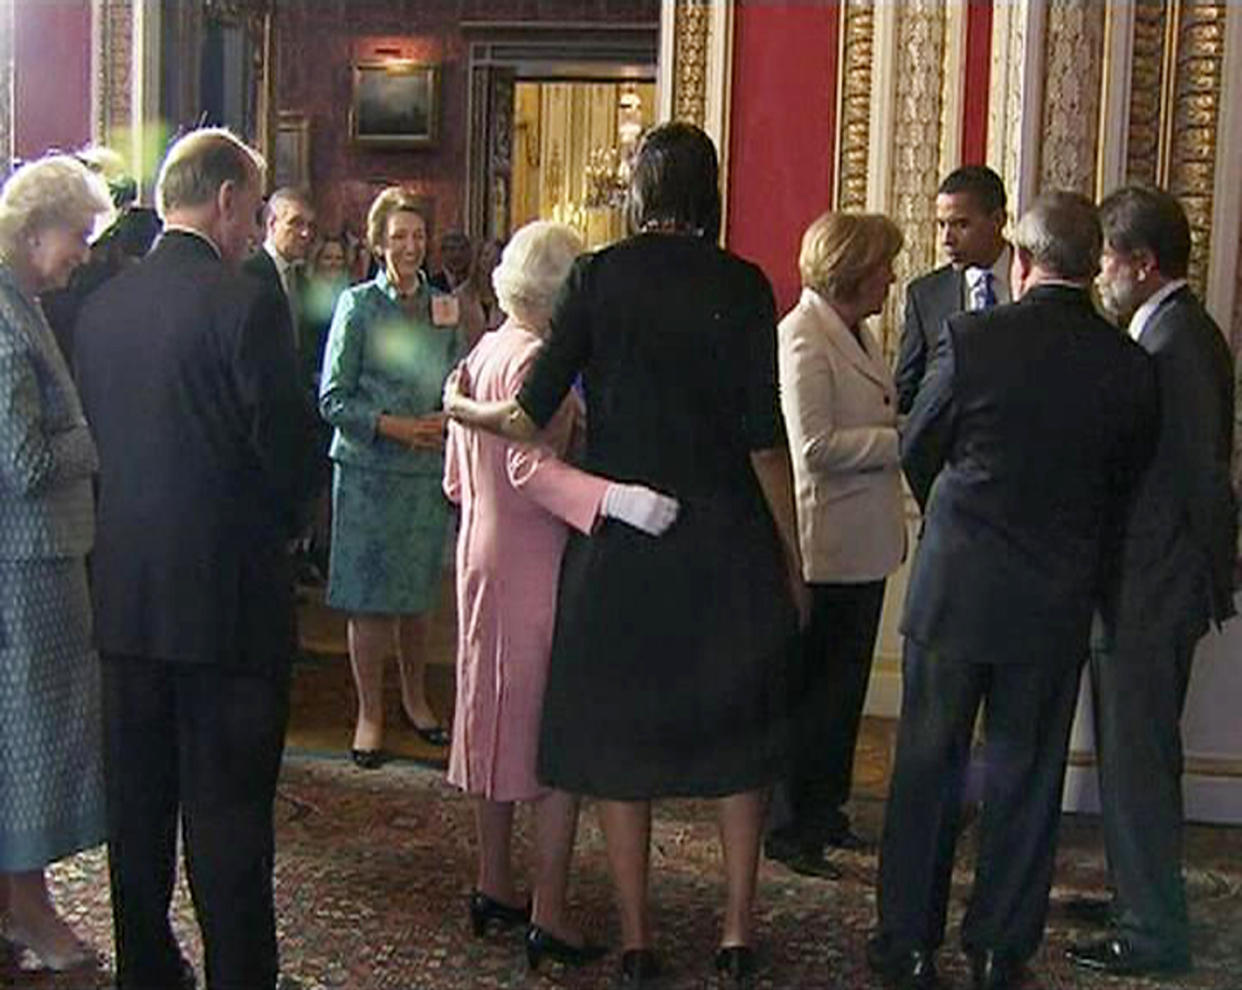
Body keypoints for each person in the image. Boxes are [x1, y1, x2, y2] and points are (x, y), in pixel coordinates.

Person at [445, 122, 802, 989]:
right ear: (709, 192)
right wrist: (793, 559)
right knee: (737, 740)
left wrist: (462, 408)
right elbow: (765, 441)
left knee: (620, 743)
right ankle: (736, 930)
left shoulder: (598, 277)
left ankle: (639, 938)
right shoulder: (746, 284)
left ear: (640, 193)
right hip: (725, 542)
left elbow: (528, 416)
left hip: (627, 549)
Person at [867, 192, 1156, 990]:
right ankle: (999, 949)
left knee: (930, 767)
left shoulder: (973, 339)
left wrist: (958, 520)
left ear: (1021, 261)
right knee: (1027, 778)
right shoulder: (1127, 362)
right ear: (1093, 263)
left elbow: (919, 447)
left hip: (958, 587)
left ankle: (909, 945)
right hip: (1056, 596)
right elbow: (1124, 483)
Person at [74, 127, 317, 990]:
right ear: (224, 202)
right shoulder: (244, 302)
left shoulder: (100, 308)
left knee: (137, 809)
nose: (254, 231)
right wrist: (291, 526)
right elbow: (286, 450)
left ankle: (144, 967)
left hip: (126, 596)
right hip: (227, 606)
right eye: (253, 213)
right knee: (228, 817)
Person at [444, 220, 678, 971]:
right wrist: (620, 498)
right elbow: (529, 472)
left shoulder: (484, 348)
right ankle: (546, 910)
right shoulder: (538, 360)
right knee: (552, 739)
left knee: (490, 720)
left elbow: (459, 477)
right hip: (533, 560)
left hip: (481, 550)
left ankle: (494, 883)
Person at [1066, 186, 1237, 978]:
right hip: (1153, 585)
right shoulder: (1173, 332)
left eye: (1106, 258)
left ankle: (1153, 930)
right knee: (1137, 758)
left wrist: (1211, 578)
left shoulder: (1176, 344)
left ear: (1141, 262)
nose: (1099, 274)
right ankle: (1141, 893)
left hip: (1150, 589)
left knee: (1137, 762)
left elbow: (1199, 480)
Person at [0, 153, 113, 972]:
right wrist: (92, 434)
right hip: (25, 567)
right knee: (31, 742)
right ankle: (30, 912)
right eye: (77, 236)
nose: (82, 252)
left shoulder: (25, 303)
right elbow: (27, 462)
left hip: (44, 557)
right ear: (34, 231)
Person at [767, 211, 905, 877]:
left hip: (863, 544)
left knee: (843, 692)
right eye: (883, 265)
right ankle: (792, 827)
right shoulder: (802, 336)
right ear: (852, 268)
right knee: (815, 693)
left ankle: (827, 810)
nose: (891, 277)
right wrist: (898, 441)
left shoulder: (857, 331)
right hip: (826, 547)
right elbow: (812, 447)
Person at [319, 187, 461, 767]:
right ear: (378, 244)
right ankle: (370, 713)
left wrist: (450, 409)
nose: (410, 246)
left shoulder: (442, 306)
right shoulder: (357, 306)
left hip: (425, 472)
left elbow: (458, 375)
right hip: (370, 471)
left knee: (417, 599)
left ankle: (416, 699)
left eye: (418, 236)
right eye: (398, 236)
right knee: (371, 601)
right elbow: (332, 399)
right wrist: (395, 426)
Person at [894, 165, 1010, 414]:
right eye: (942, 225)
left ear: (998, 220)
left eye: (961, 224)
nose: (947, 239)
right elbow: (907, 390)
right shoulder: (925, 295)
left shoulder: (1034, 280)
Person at [243, 187, 316, 360]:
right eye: (296, 223)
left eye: (309, 225)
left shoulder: (303, 282)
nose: (305, 233)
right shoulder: (248, 275)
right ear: (272, 223)